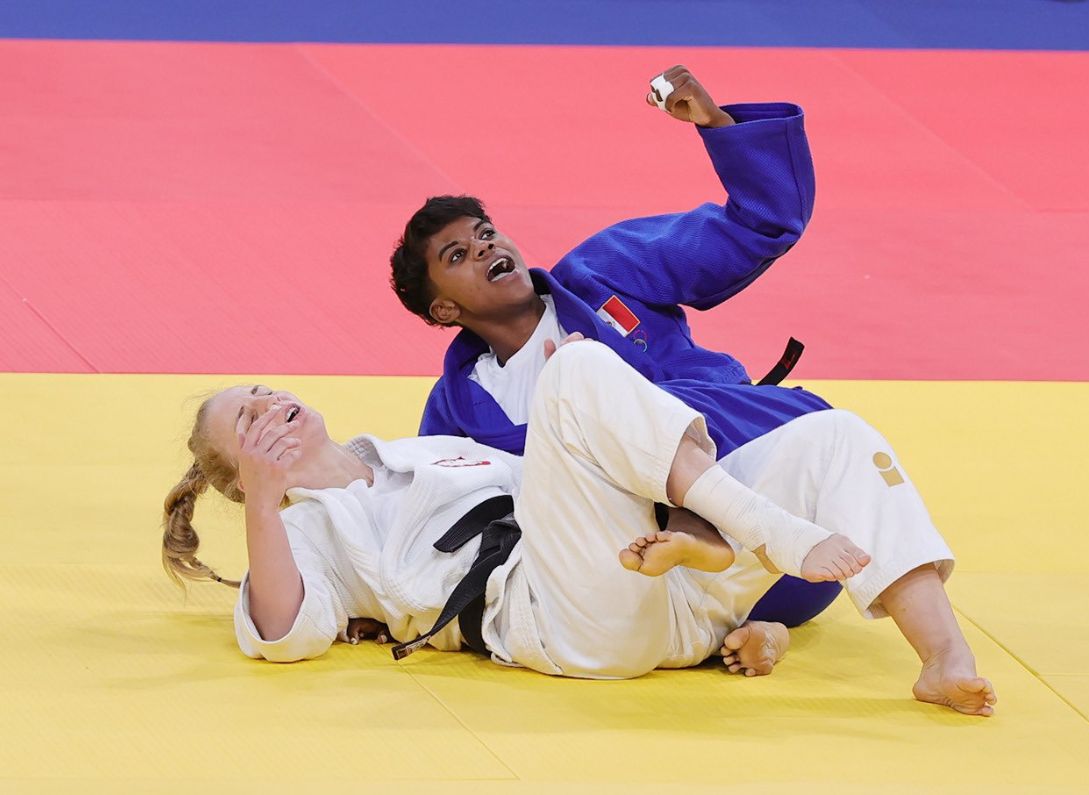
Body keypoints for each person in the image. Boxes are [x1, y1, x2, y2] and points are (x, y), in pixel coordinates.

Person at [161, 341, 996, 716]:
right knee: (575, 372)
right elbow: (280, 634)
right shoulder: (309, 532)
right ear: (238, 477)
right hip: (556, 619)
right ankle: (757, 530)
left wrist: (680, 533)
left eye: (264, 388)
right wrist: (267, 507)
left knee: (834, 436)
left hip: (652, 584)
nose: (270, 403)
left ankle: (942, 659)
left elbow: (588, 484)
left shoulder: (423, 449)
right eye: (247, 418)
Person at [389, 65, 836, 627]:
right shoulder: (457, 409)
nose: (483, 247)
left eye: (483, 232)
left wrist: (717, 123)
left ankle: (728, 583)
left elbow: (762, 224)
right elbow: (434, 519)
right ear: (444, 310)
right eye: (455, 256)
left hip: (770, 505)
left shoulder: (606, 272)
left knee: (649, 415)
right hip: (643, 577)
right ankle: (742, 627)